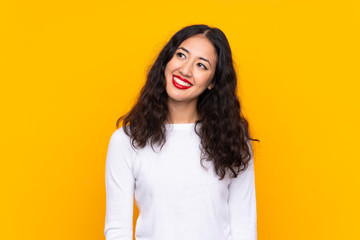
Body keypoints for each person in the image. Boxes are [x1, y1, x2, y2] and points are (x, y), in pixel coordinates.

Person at [104, 24, 259, 240]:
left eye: (201, 66)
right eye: (181, 55)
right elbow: (117, 230)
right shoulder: (126, 141)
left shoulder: (233, 139)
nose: (185, 70)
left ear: (213, 82)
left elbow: (244, 227)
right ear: (167, 61)